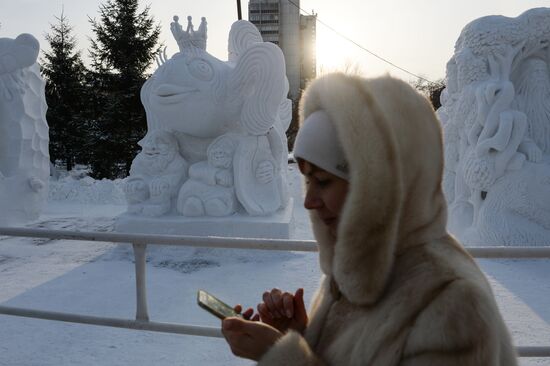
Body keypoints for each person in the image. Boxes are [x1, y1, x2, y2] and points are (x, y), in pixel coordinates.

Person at [221, 73, 518, 365]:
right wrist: (298, 335)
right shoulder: (361, 269)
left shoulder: (451, 303)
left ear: (379, 187)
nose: (308, 201)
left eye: (323, 180)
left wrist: (280, 356)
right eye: (307, 180)